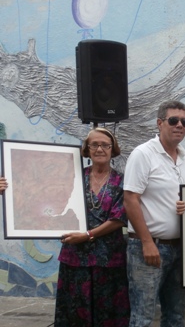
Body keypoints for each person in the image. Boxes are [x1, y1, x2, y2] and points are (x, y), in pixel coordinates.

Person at [124, 100, 185, 326]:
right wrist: (147, 242)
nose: (179, 125)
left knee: (176, 316)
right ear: (159, 123)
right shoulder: (143, 154)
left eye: (184, 121)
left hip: (179, 248)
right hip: (149, 250)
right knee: (143, 317)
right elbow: (130, 199)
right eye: (173, 120)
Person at [55, 127, 130, 326]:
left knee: (108, 313)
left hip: (109, 259)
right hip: (75, 257)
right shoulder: (72, 178)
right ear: (86, 150)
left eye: (105, 145)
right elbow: (51, 202)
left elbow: (119, 218)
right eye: (94, 144)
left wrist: (87, 235)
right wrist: (9, 187)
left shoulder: (122, 180)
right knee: (74, 312)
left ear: (113, 149)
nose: (99, 149)